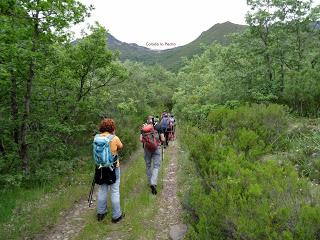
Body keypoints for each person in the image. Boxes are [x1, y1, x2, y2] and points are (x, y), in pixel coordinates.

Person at [95, 118, 124, 223]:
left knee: (103, 189)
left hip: (100, 168)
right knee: (115, 190)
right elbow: (120, 146)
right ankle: (117, 215)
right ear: (112, 128)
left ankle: (101, 213)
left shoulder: (97, 138)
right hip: (113, 168)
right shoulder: (114, 138)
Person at [140, 116, 165, 195]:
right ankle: (153, 182)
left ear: (147, 120)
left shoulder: (144, 127)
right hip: (156, 148)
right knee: (156, 166)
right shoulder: (158, 126)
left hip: (147, 148)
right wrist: (159, 141)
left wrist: (147, 141)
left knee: (148, 165)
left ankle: (150, 182)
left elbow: (141, 139)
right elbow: (163, 139)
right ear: (154, 120)